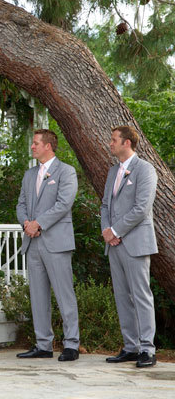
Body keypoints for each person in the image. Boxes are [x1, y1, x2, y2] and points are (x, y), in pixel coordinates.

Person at [15, 129, 80, 362]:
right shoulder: (29, 174)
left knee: (65, 295)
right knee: (38, 296)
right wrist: (26, 223)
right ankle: (43, 344)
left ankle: (72, 344)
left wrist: (39, 223)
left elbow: (64, 204)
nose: (32, 147)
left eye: (35, 143)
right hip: (32, 243)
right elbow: (21, 204)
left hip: (56, 243)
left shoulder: (66, 172)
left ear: (48, 146)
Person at [101, 126, 158, 368]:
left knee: (141, 296)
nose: (110, 143)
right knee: (122, 296)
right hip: (114, 245)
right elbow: (105, 205)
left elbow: (142, 208)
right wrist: (107, 231)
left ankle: (148, 349)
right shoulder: (113, 171)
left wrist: (116, 231)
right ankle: (130, 347)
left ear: (127, 143)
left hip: (135, 243)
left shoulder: (145, 169)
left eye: (114, 140)